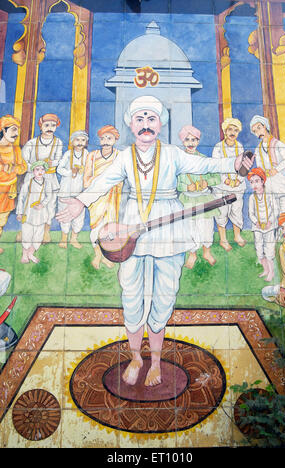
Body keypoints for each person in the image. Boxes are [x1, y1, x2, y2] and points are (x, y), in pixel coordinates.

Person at [56, 95, 253, 388]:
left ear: (160, 124)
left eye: (151, 119)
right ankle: (136, 358)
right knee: (131, 293)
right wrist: (81, 202)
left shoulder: (173, 153)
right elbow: (104, 181)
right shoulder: (125, 156)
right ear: (131, 125)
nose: (146, 125)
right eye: (140, 119)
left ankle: (157, 362)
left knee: (165, 293)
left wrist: (235, 162)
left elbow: (204, 164)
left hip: (169, 229)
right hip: (132, 226)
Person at [177, 125, 221, 267]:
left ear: (198, 141)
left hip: (204, 199)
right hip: (188, 200)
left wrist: (207, 182)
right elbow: (174, 183)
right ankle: (192, 254)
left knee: (206, 227)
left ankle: (207, 251)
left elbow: (217, 178)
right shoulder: (179, 162)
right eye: (187, 140)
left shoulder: (204, 160)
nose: (190, 143)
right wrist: (185, 187)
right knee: (190, 228)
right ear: (183, 142)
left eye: (194, 140)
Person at [83, 125, 122, 269]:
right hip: (96, 199)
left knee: (110, 228)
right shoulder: (92, 156)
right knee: (96, 228)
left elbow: (122, 178)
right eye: (103, 138)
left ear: (115, 140)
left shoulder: (119, 156)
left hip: (113, 198)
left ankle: (105, 256)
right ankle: (97, 255)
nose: (106, 141)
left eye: (109, 138)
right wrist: (99, 182)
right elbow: (86, 180)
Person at [21, 113, 63, 243]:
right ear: (41, 126)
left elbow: (58, 160)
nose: (50, 128)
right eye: (46, 125)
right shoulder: (32, 143)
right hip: (32, 178)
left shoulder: (58, 142)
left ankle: (46, 233)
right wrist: (35, 168)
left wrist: (52, 163)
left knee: (49, 206)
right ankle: (24, 233)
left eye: (53, 125)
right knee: (28, 205)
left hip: (50, 178)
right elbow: (24, 161)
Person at [212, 117, 246, 251]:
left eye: (236, 130)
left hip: (237, 185)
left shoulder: (240, 147)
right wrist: (226, 180)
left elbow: (244, 165)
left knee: (237, 210)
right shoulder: (218, 147)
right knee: (222, 211)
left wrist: (238, 180)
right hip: (222, 186)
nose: (233, 132)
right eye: (230, 129)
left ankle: (237, 236)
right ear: (225, 131)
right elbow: (216, 166)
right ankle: (223, 239)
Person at [250, 115, 285, 214]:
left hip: (281, 184)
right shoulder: (257, 150)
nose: (258, 133)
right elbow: (260, 167)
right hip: (268, 185)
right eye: (255, 131)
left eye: (259, 128)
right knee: (274, 213)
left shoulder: (278, 144)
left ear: (265, 126)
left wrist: (276, 169)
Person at [57, 130, 89, 249]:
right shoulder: (68, 154)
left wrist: (83, 171)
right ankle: (64, 239)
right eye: (77, 140)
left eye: (83, 140)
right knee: (64, 214)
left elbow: (90, 169)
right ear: (72, 142)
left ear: (86, 142)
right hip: (66, 189)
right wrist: (71, 172)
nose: (80, 142)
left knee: (79, 216)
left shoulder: (86, 154)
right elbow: (59, 169)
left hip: (79, 190)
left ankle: (74, 239)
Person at [0, 115, 27, 253]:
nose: (16, 134)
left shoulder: (16, 150)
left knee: (2, 220)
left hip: (9, 190)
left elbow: (23, 167)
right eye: (13, 130)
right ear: (3, 131)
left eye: (17, 130)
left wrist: (14, 168)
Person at [16, 161, 52, 264]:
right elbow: (21, 198)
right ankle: (24, 254)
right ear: (33, 171)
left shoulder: (47, 183)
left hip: (41, 214)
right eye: (37, 169)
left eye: (42, 169)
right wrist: (19, 212)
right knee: (27, 234)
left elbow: (48, 196)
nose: (40, 172)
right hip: (29, 214)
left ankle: (31, 253)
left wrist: (42, 204)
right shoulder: (28, 184)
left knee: (38, 235)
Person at [262, 212, 285, 308]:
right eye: (282, 228)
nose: (284, 231)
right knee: (265, 292)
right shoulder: (283, 248)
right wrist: (283, 288)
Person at [248, 168, 278, 282]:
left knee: (269, 250)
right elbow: (251, 213)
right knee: (259, 250)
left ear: (262, 181)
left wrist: (270, 221)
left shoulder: (269, 194)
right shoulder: (252, 197)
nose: (254, 184)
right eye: (251, 182)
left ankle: (271, 272)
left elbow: (275, 209)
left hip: (269, 227)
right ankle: (265, 270)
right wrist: (256, 222)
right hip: (258, 228)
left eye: (256, 181)